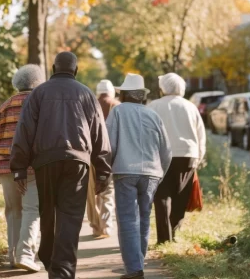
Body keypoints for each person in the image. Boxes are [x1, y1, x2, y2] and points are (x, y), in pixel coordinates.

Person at [10, 52, 112, 279]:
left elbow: (24, 130)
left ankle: (51, 261)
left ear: (54, 69)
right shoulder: (86, 94)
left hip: (46, 161)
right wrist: (103, 171)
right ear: (75, 70)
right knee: (71, 217)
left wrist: (19, 169)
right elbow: (99, 134)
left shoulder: (38, 93)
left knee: (48, 214)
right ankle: (63, 270)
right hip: (78, 162)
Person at [107, 73, 172, 279]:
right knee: (144, 218)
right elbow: (166, 151)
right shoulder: (153, 115)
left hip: (125, 171)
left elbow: (110, 146)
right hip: (152, 173)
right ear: (141, 96)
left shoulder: (117, 112)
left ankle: (134, 269)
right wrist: (159, 174)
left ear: (124, 94)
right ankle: (138, 262)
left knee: (127, 220)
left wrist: (107, 169)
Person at [0, 64, 45, 272]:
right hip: (31, 167)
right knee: (32, 209)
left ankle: (13, 256)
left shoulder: (5, 105)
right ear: (37, 82)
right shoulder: (40, 102)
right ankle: (26, 254)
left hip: (4, 166)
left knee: (13, 211)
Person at [148, 73, 206, 244]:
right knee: (181, 195)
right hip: (188, 155)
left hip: (161, 155)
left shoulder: (153, 106)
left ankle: (164, 239)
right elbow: (200, 134)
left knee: (162, 196)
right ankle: (175, 232)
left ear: (163, 88)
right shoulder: (190, 106)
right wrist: (199, 157)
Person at [87, 80, 120, 238]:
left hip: (92, 155)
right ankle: (106, 227)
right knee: (108, 191)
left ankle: (95, 227)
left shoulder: (90, 104)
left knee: (92, 192)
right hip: (111, 155)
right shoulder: (117, 106)